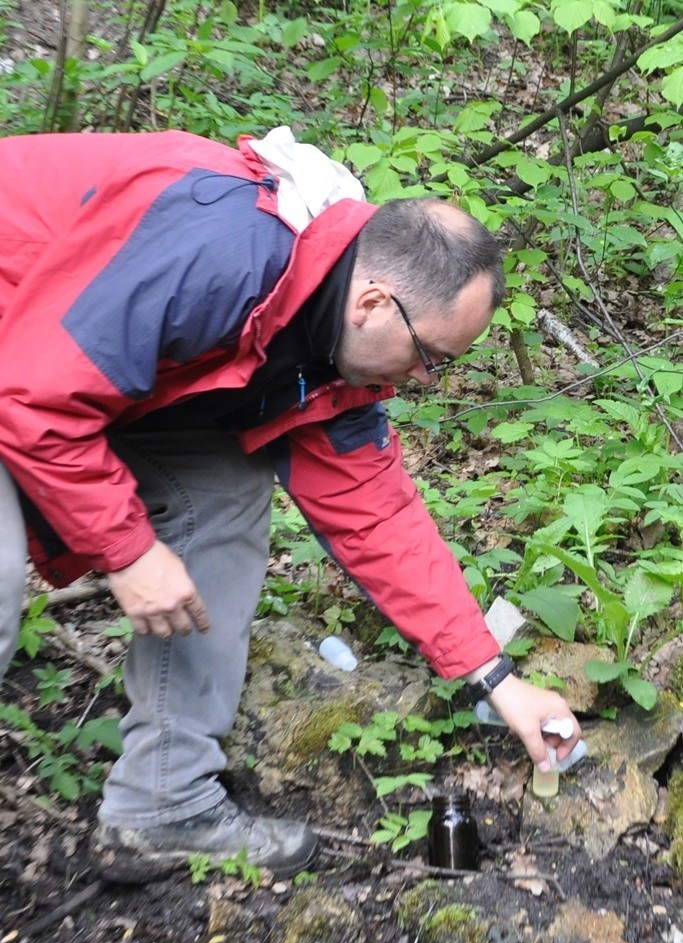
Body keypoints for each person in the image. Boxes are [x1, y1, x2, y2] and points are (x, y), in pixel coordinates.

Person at [0, 128, 581, 884]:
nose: (426, 380)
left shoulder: (333, 337)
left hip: (51, 363)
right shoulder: (218, 252)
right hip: (25, 355)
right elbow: (33, 397)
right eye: (428, 357)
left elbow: (376, 516)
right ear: (373, 302)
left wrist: (493, 677)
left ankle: (162, 805)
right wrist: (129, 552)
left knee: (219, 493)